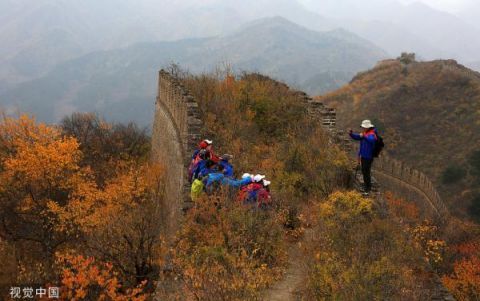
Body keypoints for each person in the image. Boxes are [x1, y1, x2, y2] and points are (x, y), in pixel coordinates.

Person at [349, 120, 378, 195]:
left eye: (364, 127)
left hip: (368, 157)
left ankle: (368, 188)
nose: (362, 128)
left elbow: (372, 140)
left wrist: (364, 136)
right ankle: (366, 187)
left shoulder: (372, 134)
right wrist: (351, 134)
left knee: (366, 172)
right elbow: (357, 137)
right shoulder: (365, 133)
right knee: (364, 171)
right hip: (363, 156)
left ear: (367, 127)